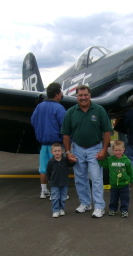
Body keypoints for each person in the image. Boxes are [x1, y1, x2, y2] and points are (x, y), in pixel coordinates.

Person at [61, 85, 112, 218]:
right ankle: (85, 203)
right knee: (80, 179)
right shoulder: (71, 112)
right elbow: (66, 134)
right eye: (80, 95)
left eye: (85, 95)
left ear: (90, 96)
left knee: (96, 178)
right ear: (76, 97)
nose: (83, 98)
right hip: (77, 149)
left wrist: (104, 150)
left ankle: (99, 207)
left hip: (95, 149)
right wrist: (67, 152)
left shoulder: (99, 110)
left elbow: (107, 131)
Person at [31, 83, 67, 199]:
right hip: (56, 145)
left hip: (43, 144)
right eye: (61, 92)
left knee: (43, 169)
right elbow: (65, 125)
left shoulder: (39, 107)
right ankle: (57, 193)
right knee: (57, 169)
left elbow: (33, 121)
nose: (62, 95)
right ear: (56, 94)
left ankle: (44, 191)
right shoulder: (59, 108)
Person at [98, 140, 133, 218]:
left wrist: (131, 179)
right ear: (112, 150)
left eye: (120, 150)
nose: (118, 152)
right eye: (116, 150)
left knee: (124, 198)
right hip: (114, 184)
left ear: (123, 150)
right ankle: (113, 209)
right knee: (113, 198)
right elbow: (104, 165)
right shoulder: (110, 159)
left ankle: (124, 210)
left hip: (124, 184)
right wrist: (99, 159)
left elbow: (130, 171)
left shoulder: (126, 160)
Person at [46, 143, 75, 218]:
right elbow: (48, 171)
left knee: (63, 197)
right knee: (55, 197)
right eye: (55, 151)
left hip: (64, 182)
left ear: (62, 151)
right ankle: (55, 210)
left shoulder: (65, 159)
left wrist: (74, 160)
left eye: (59, 150)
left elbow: (71, 165)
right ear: (51, 152)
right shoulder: (50, 161)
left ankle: (61, 209)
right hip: (54, 183)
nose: (57, 152)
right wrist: (48, 179)